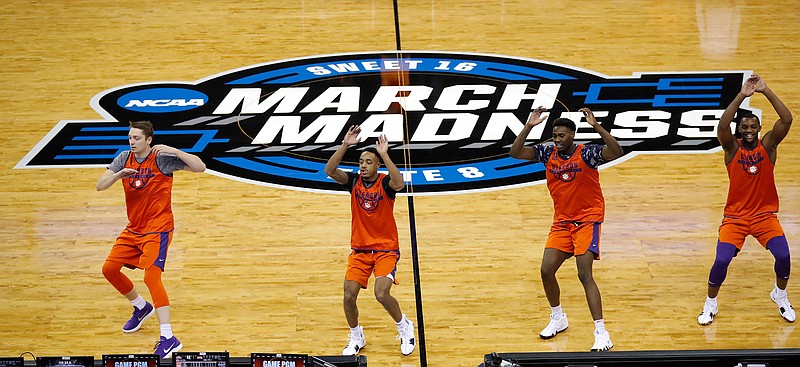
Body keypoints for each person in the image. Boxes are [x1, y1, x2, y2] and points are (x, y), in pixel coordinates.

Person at [509, 107, 623, 351]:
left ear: (572, 135)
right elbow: (515, 152)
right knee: (546, 270)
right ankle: (558, 317)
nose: (557, 140)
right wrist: (529, 126)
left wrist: (597, 126)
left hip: (587, 221)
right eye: (554, 135)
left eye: (561, 135)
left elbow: (616, 151)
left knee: (584, 274)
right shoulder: (547, 152)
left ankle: (602, 332)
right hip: (562, 222)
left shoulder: (588, 153)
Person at [96, 121, 206, 358]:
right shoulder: (123, 158)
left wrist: (175, 151)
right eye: (130, 137)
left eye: (136, 138)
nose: (132, 142)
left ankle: (168, 337)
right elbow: (100, 186)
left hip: (158, 229)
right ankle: (140, 307)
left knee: (151, 276)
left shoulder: (161, 158)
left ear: (148, 140)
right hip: (134, 230)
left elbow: (200, 167)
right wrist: (117, 176)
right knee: (109, 269)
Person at [698, 74, 794, 325]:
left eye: (753, 127)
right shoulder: (731, 149)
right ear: (739, 130)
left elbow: (787, 119)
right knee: (721, 260)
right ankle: (710, 303)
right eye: (745, 127)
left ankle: (780, 295)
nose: (749, 131)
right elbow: (722, 126)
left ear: (760, 129)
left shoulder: (769, 146)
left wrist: (766, 90)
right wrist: (742, 95)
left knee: (784, 257)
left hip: (764, 216)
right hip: (735, 218)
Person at [324, 125, 416, 356]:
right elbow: (330, 170)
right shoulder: (353, 182)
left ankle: (404, 326)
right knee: (348, 295)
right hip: (360, 251)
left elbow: (400, 183)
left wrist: (384, 153)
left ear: (377, 165)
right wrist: (346, 144)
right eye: (361, 162)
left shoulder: (385, 183)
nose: (363, 165)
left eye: (368, 162)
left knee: (381, 294)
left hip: (386, 250)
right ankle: (357, 336)